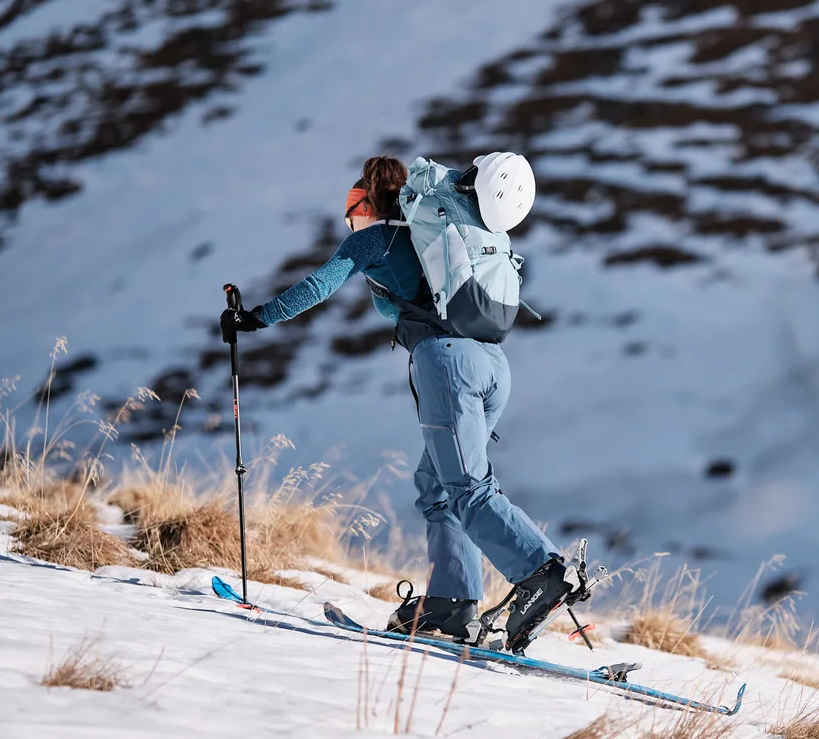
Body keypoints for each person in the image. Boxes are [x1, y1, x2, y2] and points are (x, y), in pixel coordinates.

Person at [220, 154, 578, 653]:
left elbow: (316, 287)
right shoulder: (440, 227)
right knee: (438, 487)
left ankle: (543, 572)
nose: (349, 216)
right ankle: (451, 603)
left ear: (368, 201)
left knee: (467, 488)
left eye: (352, 205)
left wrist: (253, 319)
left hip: (447, 361)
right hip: (493, 364)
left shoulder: (377, 237)